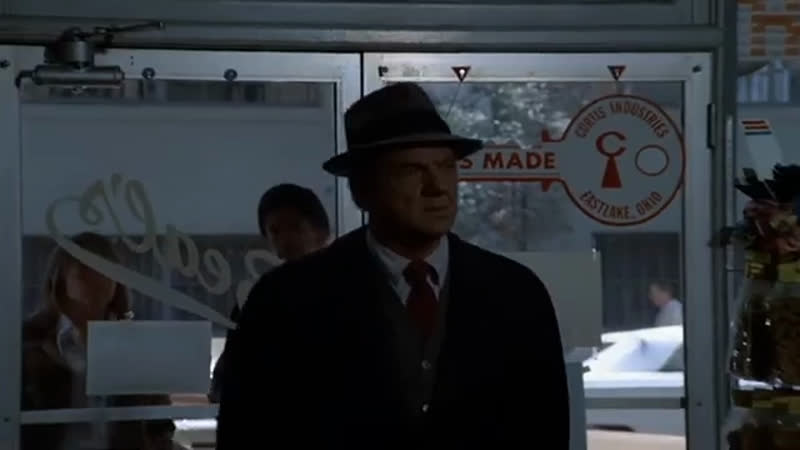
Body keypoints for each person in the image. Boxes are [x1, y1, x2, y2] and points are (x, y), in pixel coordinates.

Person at [218, 82, 569, 449]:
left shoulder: (515, 293)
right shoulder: (286, 300)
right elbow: (248, 433)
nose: (437, 187)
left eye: (446, 167)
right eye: (411, 170)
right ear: (361, 190)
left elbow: (547, 431)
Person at [21, 232, 175, 450]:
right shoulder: (28, 340)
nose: (96, 279)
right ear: (61, 277)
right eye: (84, 270)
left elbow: (159, 425)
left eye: (104, 270)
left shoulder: (133, 343)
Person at [207, 183, 331, 402]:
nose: (285, 239)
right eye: (275, 231)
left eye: (295, 227)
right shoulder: (260, 298)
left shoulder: (348, 291)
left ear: (321, 233)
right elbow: (228, 377)